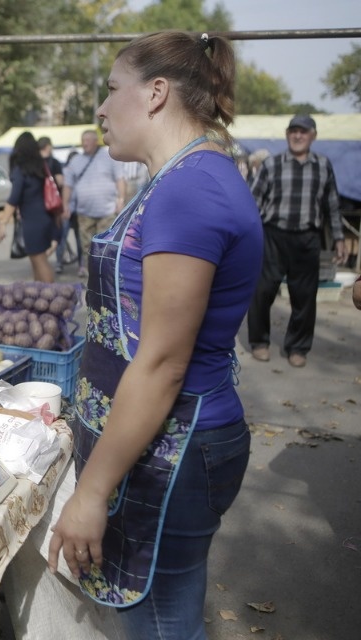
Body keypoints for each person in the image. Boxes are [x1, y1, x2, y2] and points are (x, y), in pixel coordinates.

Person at [46, 31, 263, 640]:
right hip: (160, 439)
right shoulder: (180, 176)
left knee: (163, 625)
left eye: (112, 89)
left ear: (156, 93)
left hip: (175, 446)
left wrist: (91, 492)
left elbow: (164, 362)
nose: (101, 108)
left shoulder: (190, 188)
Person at [247, 114, 346, 368]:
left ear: (313, 136)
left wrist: (338, 238)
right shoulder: (272, 164)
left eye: (303, 131)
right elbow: (253, 202)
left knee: (304, 297)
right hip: (274, 236)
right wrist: (248, 235)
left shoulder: (322, 165)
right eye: (293, 131)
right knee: (262, 290)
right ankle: (259, 342)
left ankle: (297, 347)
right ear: (287, 134)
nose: (298, 135)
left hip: (307, 239)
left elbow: (332, 205)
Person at [61, 129, 126, 278]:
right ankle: (92, 279)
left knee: (105, 247)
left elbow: (120, 179)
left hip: (107, 212)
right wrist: (65, 205)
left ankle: (107, 277)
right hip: (84, 213)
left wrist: (121, 199)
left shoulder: (109, 157)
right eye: (83, 140)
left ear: (96, 141)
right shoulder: (76, 161)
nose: (84, 143)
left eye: (88, 140)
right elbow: (67, 185)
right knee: (87, 247)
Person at [0, 132, 59, 282]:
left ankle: (51, 293)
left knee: (39, 261)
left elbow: (14, 198)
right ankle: (41, 293)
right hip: (46, 218)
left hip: (33, 222)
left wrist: (3, 222)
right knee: (38, 261)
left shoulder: (21, 170)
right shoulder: (41, 167)